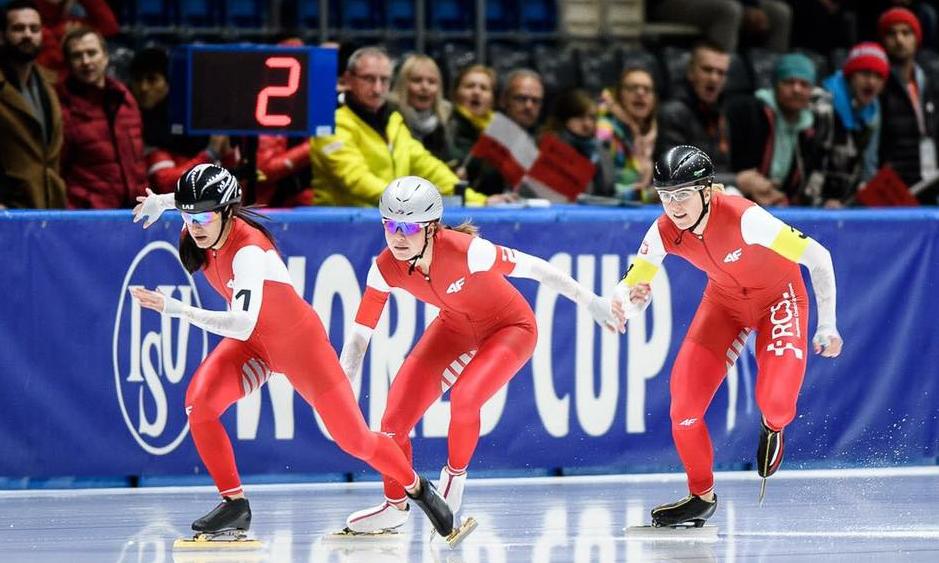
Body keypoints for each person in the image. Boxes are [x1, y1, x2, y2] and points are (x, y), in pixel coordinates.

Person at [129, 165, 461, 543]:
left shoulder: (249, 252)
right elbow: (198, 208)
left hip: (300, 346)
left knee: (355, 441)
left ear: (227, 212)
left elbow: (240, 323)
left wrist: (175, 309)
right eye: (188, 217)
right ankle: (234, 504)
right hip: (254, 346)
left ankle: (418, 488)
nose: (195, 225)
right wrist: (164, 202)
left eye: (203, 216)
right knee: (198, 404)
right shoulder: (199, 222)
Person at [339, 176, 618, 534]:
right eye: (390, 224)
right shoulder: (384, 267)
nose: (398, 236)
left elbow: (536, 268)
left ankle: (454, 480)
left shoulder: (467, 250)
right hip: (454, 328)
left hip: (510, 329)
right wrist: (345, 381)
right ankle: (395, 506)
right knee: (392, 424)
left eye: (408, 226)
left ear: (431, 227)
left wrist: (591, 301)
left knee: (465, 398)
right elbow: (361, 332)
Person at [609, 145, 842, 527]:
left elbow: (818, 257)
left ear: (708, 190)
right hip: (724, 305)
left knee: (777, 402)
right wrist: (630, 302)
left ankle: (773, 425)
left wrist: (828, 323)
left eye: (683, 194)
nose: (674, 206)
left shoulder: (746, 218)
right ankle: (701, 495)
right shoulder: (665, 230)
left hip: (779, 300)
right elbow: (633, 284)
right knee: (683, 406)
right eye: (666, 196)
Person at [310, 46, 488, 206]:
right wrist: (411, 200)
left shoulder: (393, 122)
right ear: (348, 80)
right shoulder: (331, 125)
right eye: (368, 79)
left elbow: (429, 167)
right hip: (339, 230)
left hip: (389, 222)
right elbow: (356, 180)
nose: (377, 88)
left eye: (384, 80)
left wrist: (479, 200)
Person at [57, 26, 146, 208]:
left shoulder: (125, 98)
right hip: (88, 216)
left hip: (133, 212)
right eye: (77, 56)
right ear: (68, 64)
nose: (86, 61)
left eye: (92, 53)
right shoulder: (61, 107)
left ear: (105, 56)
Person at [727, 53, 818, 206]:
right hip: (739, 200)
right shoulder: (748, 111)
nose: (796, 89)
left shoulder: (811, 127)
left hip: (781, 205)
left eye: (804, 84)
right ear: (775, 85)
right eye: (789, 82)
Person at [0, 0, 65, 209]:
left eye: (34, 28)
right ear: (2, 35)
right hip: (9, 212)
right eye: (18, 28)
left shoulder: (49, 85)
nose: (28, 34)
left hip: (48, 210)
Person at [808, 42, 889, 207]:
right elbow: (807, 161)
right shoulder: (821, 105)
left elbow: (867, 164)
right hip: (809, 204)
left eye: (878, 76)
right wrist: (819, 202)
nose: (871, 82)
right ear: (850, 75)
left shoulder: (872, 112)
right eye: (865, 74)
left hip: (842, 205)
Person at [877, 6, 939, 204]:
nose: (899, 40)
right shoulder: (878, 84)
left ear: (917, 38)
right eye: (892, 34)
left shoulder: (931, 80)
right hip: (895, 186)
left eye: (906, 33)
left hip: (931, 178)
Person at [596, 66, 659, 201]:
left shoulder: (655, 132)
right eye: (632, 88)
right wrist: (652, 195)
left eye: (647, 89)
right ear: (619, 95)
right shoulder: (605, 131)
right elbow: (606, 191)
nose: (640, 93)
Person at [391, 54, 454, 165]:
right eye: (417, 80)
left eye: (432, 82)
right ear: (403, 85)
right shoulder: (389, 118)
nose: (425, 87)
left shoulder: (447, 122)